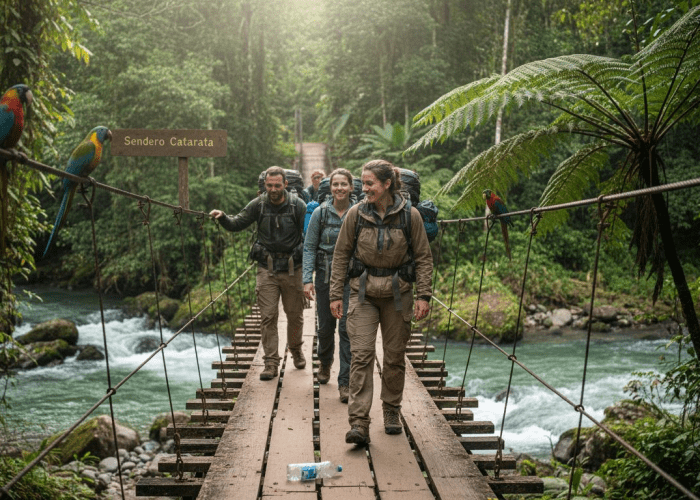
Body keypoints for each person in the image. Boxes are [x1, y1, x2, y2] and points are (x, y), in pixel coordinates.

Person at [329, 159, 432, 446]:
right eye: (362, 183)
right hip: (362, 293)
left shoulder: (410, 216)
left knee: (395, 357)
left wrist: (423, 295)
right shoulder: (355, 214)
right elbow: (340, 255)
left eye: (370, 183)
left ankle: (390, 411)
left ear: (387, 184)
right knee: (361, 355)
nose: (365, 189)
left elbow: (423, 257)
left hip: (398, 295)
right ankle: (359, 422)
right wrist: (336, 294)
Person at [210, 166, 307, 381]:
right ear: (265, 185)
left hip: (293, 269)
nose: (273, 189)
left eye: (277, 185)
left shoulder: (297, 205)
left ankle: (296, 349)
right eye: (269, 185)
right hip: (267, 269)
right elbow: (237, 223)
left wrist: (308, 268)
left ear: (285, 185)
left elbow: (309, 236)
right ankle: (271, 363)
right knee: (268, 316)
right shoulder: (258, 205)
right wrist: (223, 217)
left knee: (295, 316)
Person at [302, 168, 355, 403]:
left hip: (352, 280)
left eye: (344, 184)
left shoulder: (359, 212)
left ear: (351, 187)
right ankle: (325, 362)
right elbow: (309, 246)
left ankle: (345, 382)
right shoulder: (320, 214)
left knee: (346, 329)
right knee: (325, 328)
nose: (339, 188)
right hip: (324, 277)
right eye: (335, 184)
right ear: (330, 187)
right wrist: (306, 279)